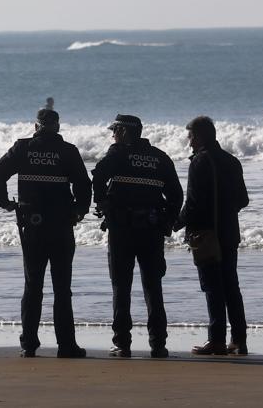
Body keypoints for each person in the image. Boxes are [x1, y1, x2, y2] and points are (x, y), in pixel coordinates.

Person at [0, 108, 92, 358]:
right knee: (62, 288)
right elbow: (84, 185)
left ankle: (29, 345)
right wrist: (79, 211)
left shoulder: (22, 148)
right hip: (61, 226)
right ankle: (66, 346)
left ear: (36, 127)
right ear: (57, 127)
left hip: (32, 225)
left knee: (33, 286)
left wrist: (5, 202)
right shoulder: (68, 151)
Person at [91, 114, 183, 358]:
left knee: (121, 287)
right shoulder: (160, 158)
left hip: (122, 230)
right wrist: (167, 222)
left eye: (115, 131)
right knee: (153, 287)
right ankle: (158, 344)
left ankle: (122, 343)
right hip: (152, 232)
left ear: (123, 132)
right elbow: (177, 196)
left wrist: (102, 203)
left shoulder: (118, 154)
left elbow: (98, 176)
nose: (112, 135)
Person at [176, 115, 250, 356]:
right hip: (230, 232)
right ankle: (239, 340)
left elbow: (193, 203)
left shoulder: (199, 163)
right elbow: (243, 200)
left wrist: (175, 224)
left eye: (190, 138)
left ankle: (216, 340)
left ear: (199, 137)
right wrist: (225, 212)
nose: (189, 143)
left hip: (206, 235)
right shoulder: (232, 161)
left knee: (212, 287)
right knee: (231, 286)